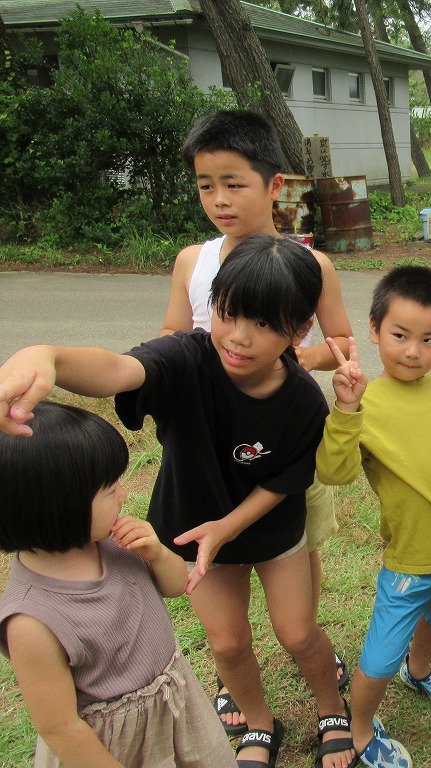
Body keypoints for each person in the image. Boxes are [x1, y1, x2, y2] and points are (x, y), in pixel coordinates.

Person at [0, 236, 354, 768]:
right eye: (228, 313)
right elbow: (117, 370)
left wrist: (227, 527)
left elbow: (285, 479)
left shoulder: (302, 397)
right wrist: (46, 356)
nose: (238, 337)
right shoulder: (186, 356)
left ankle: (331, 707)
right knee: (227, 642)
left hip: (269, 526)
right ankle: (259, 721)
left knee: (298, 632)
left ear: (299, 329)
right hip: (192, 523)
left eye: (263, 324)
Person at [160, 109, 354, 731]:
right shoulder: (192, 262)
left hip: (283, 434)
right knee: (224, 590)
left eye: (233, 184)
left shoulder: (312, 266)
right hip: (209, 441)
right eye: (205, 185)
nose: (218, 199)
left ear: (274, 186)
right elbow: (171, 335)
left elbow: (343, 343)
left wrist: (288, 357)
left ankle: (306, 640)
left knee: (297, 543)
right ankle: (237, 680)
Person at [0, 401, 236, 768]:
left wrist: (158, 554)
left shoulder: (113, 543)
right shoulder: (31, 620)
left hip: (174, 704)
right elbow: (60, 728)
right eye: (110, 490)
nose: (124, 495)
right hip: (113, 745)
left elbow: (177, 586)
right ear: (57, 506)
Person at [317, 266, 431, 768]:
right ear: (373, 330)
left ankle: (421, 668)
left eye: (429, 339)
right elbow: (335, 473)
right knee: (378, 658)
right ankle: (360, 728)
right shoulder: (364, 402)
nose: (413, 351)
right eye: (400, 335)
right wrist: (346, 409)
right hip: (412, 558)